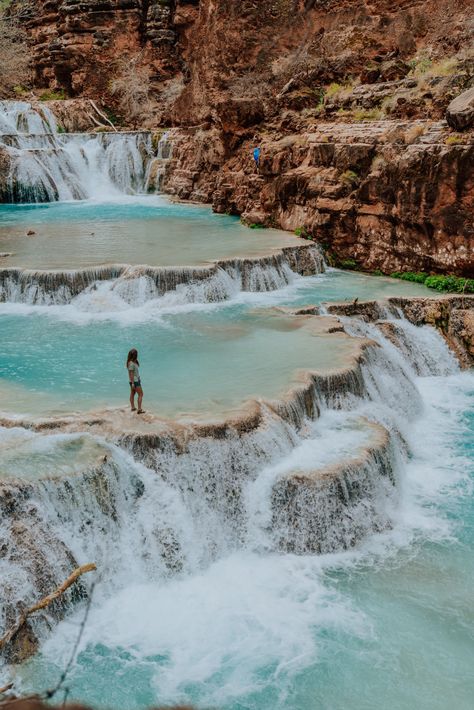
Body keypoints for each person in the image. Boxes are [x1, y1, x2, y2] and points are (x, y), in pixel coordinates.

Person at [126, 348, 145, 414]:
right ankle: (139, 409)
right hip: (135, 381)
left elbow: (134, 373)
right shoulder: (131, 363)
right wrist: (133, 383)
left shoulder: (133, 362)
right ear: (134, 355)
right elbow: (131, 374)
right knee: (141, 394)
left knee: (133, 393)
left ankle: (133, 407)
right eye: (136, 354)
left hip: (134, 381)